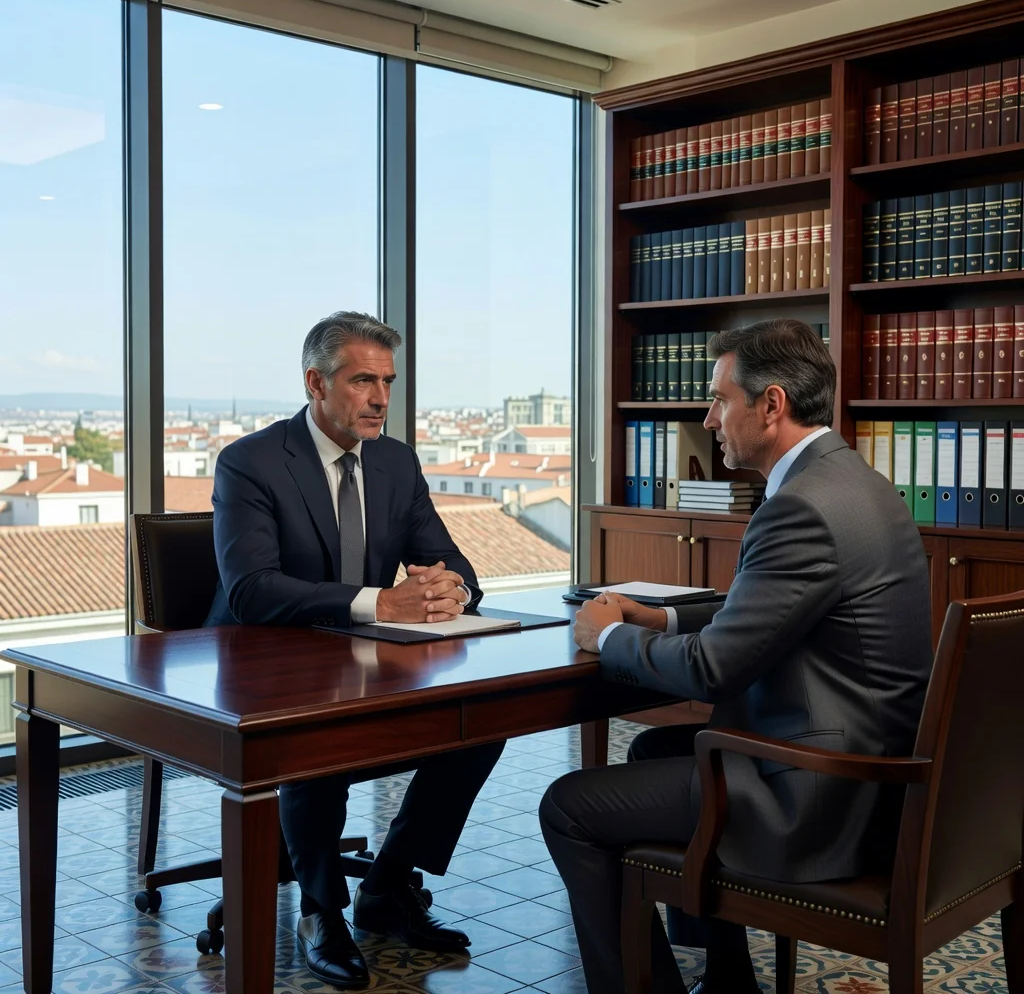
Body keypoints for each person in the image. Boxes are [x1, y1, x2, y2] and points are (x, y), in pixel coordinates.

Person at [539, 319, 933, 994]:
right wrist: (656, 615)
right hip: (872, 766)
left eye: (720, 399)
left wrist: (603, 635)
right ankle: (726, 978)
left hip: (820, 795)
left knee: (568, 806)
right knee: (653, 752)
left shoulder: (803, 506)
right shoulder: (851, 481)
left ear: (771, 405)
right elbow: (770, 608)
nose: (708, 416)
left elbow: (710, 669)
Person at [205, 311, 504, 990]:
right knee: (319, 738)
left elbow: (453, 561)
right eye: (362, 379)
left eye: (388, 381)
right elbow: (252, 590)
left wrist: (446, 585)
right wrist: (380, 601)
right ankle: (321, 909)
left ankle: (388, 886)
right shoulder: (251, 462)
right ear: (316, 381)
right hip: (264, 661)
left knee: (484, 720)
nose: (379, 397)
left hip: (361, 659)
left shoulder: (395, 460)